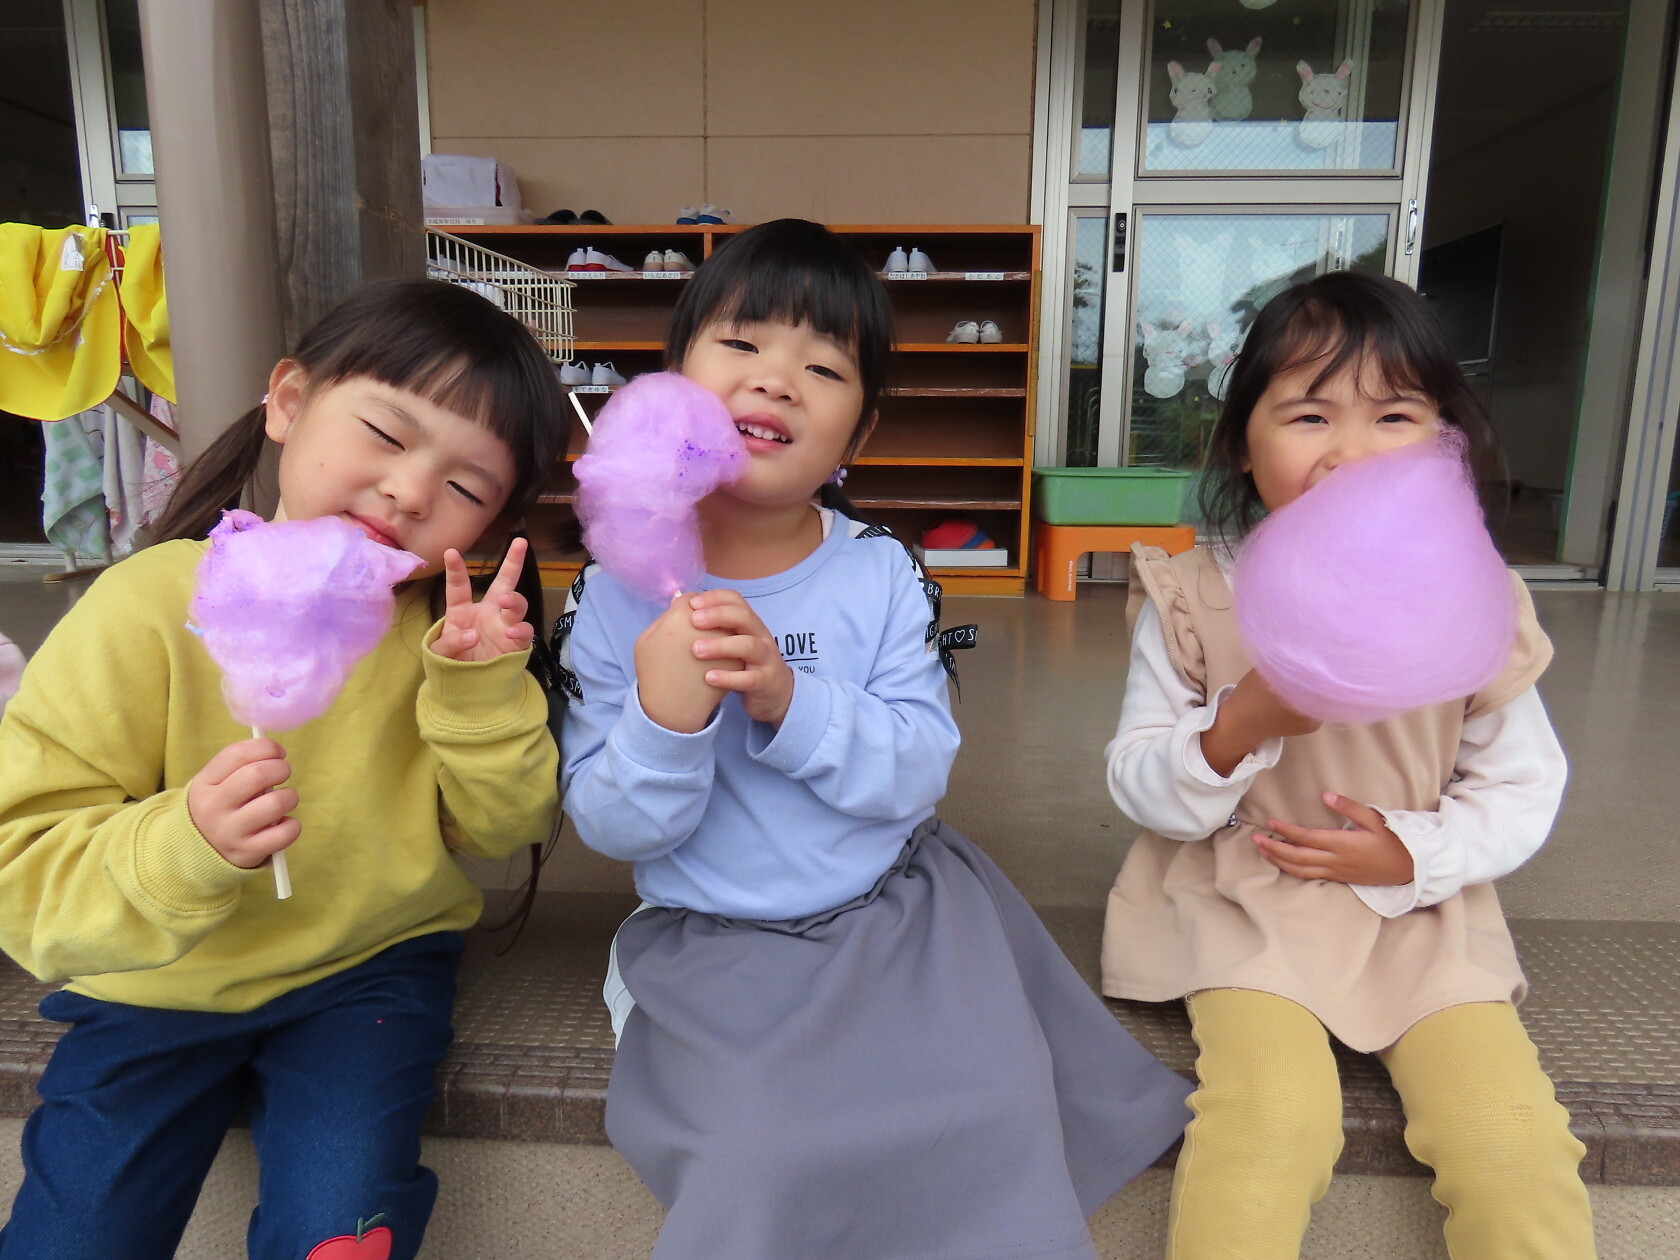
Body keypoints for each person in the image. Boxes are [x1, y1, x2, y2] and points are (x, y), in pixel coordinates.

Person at [556, 218, 1191, 1259]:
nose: (776, 381)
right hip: (716, 938)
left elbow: (916, 767)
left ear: (861, 432)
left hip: (897, 908)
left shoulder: (881, 572)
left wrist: (787, 697)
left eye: (824, 368)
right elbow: (615, 826)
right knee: (759, 1152)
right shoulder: (611, 594)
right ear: (668, 386)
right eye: (741, 344)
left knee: (997, 1101)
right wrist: (666, 717)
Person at [0, 279, 564, 1260]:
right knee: (74, 1237)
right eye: (385, 435)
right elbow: (23, 861)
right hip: (153, 984)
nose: (410, 492)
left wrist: (479, 692)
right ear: (290, 403)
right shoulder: (143, 606)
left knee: (336, 1233)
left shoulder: (447, 640)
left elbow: (503, 826)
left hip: (367, 971)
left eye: (466, 488)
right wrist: (184, 842)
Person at [1104, 270, 1595, 1259]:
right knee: (1271, 1123)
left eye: (1394, 416)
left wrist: (1413, 853)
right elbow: (1139, 780)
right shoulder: (1194, 596)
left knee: (1510, 1140)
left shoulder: (1476, 596)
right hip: (1246, 893)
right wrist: (1239, 722)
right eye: (1310, 415)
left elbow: (1522, 784)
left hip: (1420, 910)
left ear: (1445, 446)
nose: (1350, 451)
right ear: (1243, 445)